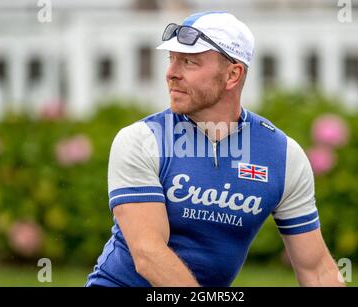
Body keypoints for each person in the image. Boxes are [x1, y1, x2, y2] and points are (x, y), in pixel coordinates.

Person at [86, 11, 344, 287]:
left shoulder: (283, 157)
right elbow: (149, 254)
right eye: (171, 59)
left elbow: (317, 271)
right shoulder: (141, 140)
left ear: (233, 75)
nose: (171, 74)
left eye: (189, 62)